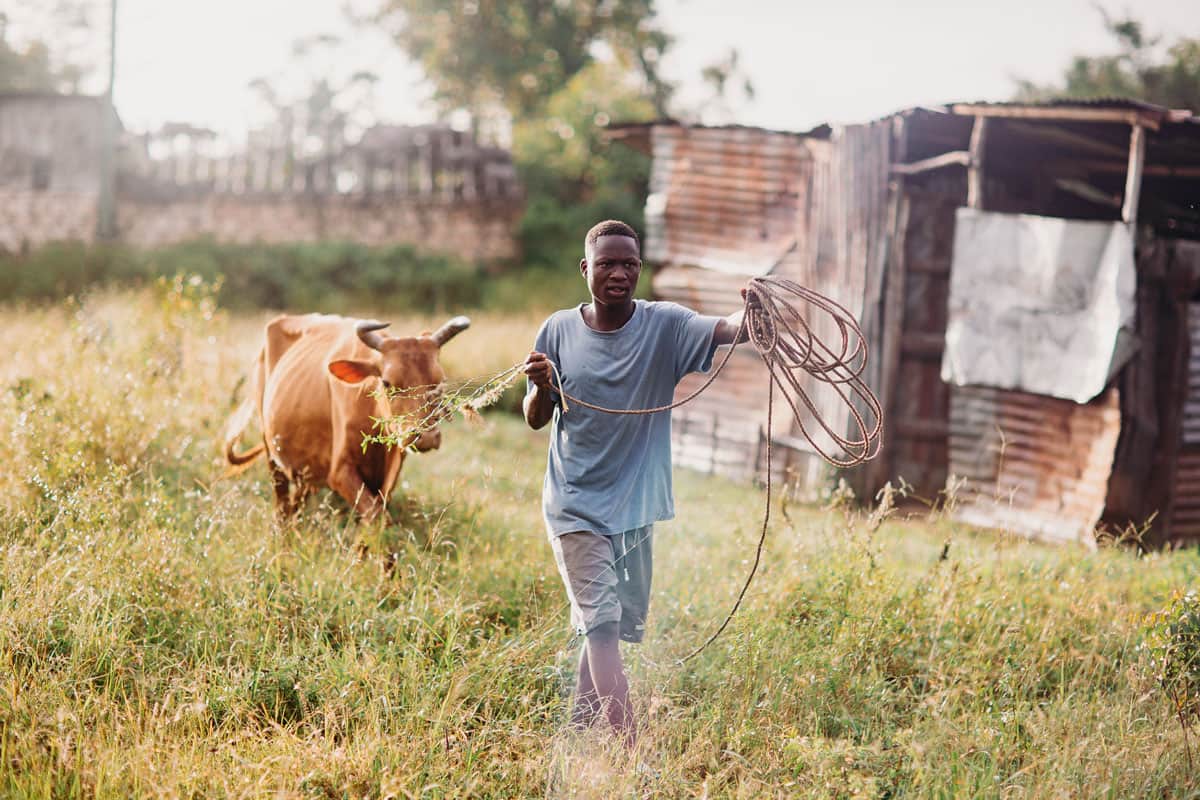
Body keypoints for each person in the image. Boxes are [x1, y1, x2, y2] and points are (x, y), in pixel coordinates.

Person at [522, 219, 747, 743]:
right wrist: (539, 388)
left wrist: (753, 309)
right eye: (607, 264)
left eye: (629, 264)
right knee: (601, 625)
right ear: (586, 269)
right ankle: (630, 750)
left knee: (611, 623)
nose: (618, 273)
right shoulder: (557, 330)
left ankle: (579, 732)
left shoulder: (665, 325)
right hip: (574, 503)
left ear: (640, 269)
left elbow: (729, 328)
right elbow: (536, 417)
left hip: (636, 504)